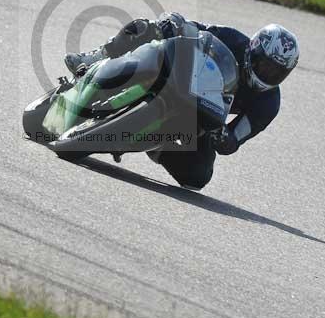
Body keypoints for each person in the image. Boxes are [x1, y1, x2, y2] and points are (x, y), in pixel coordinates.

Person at [64, 12, 299, 190]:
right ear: (253, 50)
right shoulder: (233, 39)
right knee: (149, 27)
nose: (268, 74)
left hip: (203, 116)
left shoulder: (268, 103)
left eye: (277, 72)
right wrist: (173, 23)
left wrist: (223, 136)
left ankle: (156, 145)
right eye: (265, 64)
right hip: (180, 76)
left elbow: (235, 139)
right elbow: (193, 30)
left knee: (198, 176)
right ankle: (98, 58)